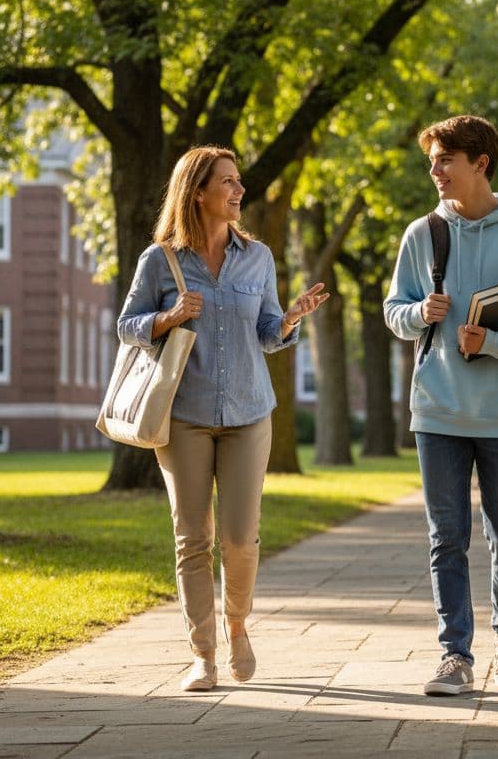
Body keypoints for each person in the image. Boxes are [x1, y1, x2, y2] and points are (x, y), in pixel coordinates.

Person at [117, 146, 329, 692]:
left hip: (248, 411)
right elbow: (127, 325)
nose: (239, 191)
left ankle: (237, 626)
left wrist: (290, 320)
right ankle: (203, 655)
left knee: (239, 538)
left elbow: (265, 333)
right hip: (182, 413)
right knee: (192, 537)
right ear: (198, 192)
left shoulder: (258, 257)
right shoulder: (160, 259)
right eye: (228, 182)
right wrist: (167, 316)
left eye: (238, 182)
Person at [384, 115, 498, 696]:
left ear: (479, 163)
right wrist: (420, 315)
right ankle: (454, 654)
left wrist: (495, 342)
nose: (434, 172)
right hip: (436, 407)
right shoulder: (422, 234)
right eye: (432, 162)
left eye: (445, 161)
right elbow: (395, 309)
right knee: (446, 536)